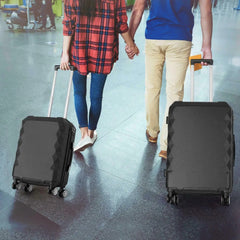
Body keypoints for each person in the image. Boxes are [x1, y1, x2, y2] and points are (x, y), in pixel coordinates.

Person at [126, 0, 213, 160]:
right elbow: (206, 12)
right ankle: (166, 145)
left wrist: (130, 40)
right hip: (180, 38)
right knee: (174, 92)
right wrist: (206, 46)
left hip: (154, 36)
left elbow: (138, 8)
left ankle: (152, 131)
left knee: (152, 88)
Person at [60, 0, 139, 152]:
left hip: (79, 50)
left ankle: (84, 136)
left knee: (79, 93)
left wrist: (65, 53)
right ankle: (91, 132)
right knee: (96, 96)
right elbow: (121, 24)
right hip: (103, 50)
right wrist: (131, 45)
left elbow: (68, 25)